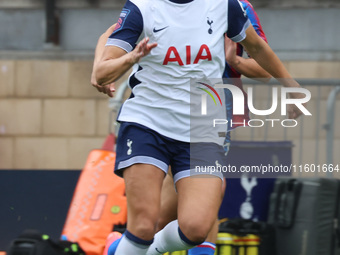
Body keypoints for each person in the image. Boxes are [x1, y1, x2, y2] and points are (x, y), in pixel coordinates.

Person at [92, 0, 304, 254]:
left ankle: (121, 248)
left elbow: (258, 50)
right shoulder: (143, 7)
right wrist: (114, 65)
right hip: (148, 122)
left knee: (195, 228)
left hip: (204, 124)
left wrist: (290, 85)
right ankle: (130, 244)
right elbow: (108, 40)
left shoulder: (230, 6)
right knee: (145, 226)